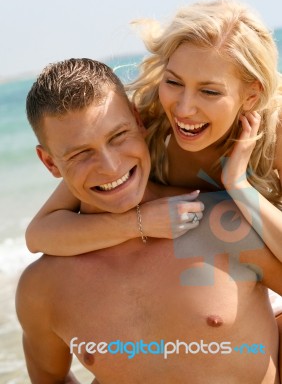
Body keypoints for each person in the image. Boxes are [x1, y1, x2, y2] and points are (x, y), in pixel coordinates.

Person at [17, 58, 282, 383]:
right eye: (80, 154)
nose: (111, 166)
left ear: (138, 119)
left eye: (118, 136)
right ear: (49, 163)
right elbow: (49, 378)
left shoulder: (223, 221)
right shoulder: (42, 288)